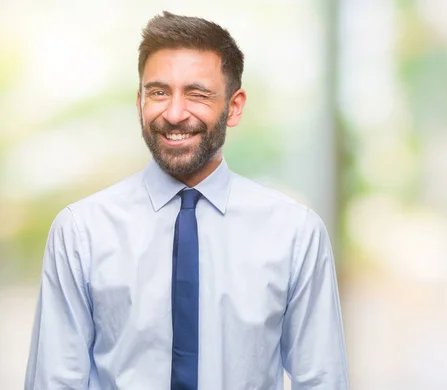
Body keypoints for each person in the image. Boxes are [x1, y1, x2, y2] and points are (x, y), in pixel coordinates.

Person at [24, 11, 348, 390]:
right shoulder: (80, 232)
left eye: (197, 94)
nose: (175, 114)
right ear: (139, 100)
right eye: (159, 92)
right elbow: (54, 381)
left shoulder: (295, 233)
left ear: (235, 106)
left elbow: (322, 380)